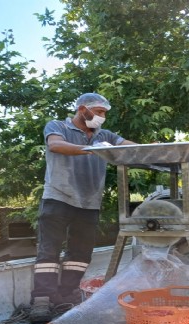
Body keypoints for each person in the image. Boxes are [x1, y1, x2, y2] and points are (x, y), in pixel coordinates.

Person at [31, 93, 136, 310]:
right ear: (82, 109)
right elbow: (55, 145)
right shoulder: (58, 126)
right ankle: (41, 300)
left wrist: (151, 150)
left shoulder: (104, 135)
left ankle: (66, 296)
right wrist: (94, 150)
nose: (102, 117)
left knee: (80, 254)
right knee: (48, 252)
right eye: (98, 112)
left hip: (89, 203)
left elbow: (129, 148)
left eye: (104, 113)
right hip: (58, 197)